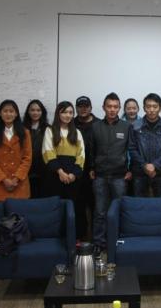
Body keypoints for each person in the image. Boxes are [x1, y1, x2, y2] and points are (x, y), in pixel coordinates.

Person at [90, 93, 131, 256]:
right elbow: (91, 149)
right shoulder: (95, 127)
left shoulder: (126, 127)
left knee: (119, 210)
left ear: (119, 108)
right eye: (109, 106)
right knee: (100, 212)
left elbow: (131, 150)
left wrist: (130, 170)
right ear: (103, 107)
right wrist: (91, 167)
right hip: (100, 176)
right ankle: (99, 243)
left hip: (120, 176)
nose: (112, 109)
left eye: (115, 107)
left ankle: (117, 240)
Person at [43, 101, 86, 235]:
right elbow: (48, 152)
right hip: (55, 177)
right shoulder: (50, 131)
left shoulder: (77, 132)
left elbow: (81, 155)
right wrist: (60, 172)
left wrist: (73, 174)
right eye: (64, 112)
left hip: (73, 178)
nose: (68, 115)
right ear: (58, 114)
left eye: (70, 112)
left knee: (74, 208)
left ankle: (75, 238)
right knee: (56, 208)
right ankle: (56, 237)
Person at [0, 100, 32, 206]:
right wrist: (4, 180)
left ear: (16, 114)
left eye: (11, 111)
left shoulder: (25, 133)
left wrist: (16, 179)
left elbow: (27, 158)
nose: (8, 114)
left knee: (18, 215)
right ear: (0, 114)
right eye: (5, 111)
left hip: (19, 184)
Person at [128, 93, 161, 197]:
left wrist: (155, 165)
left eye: (155, 106)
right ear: (144, 108)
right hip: (140, 172)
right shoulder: (135, 126)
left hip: (160, 173)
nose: (151, 110)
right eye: (148, 107)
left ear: (160, 108)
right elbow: (132, 149)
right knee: (140, 203)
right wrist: (145, 165)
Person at [74, 96, 99, 240]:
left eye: (86, 106)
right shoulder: (71, 124)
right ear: (76, 108)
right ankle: (81, 237)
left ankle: (96, 239)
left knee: (96, 206)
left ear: (91, 108)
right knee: (78, 206)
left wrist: (94, 167)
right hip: (76, 172)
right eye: (80, 106)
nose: (83, 109)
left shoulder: (99, 124)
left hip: (94, 172)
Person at [22, 99, 49, 199]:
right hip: (26, 171)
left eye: (38, 110)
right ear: (28, 112)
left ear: (42, 112)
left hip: (44, 170)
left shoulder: (48, 129)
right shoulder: (21, 128)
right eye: (32, 110)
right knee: (28, 199)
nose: (35, 113)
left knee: (42, 198)